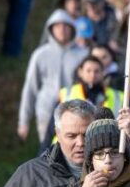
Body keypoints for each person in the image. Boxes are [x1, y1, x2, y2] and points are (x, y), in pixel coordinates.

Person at [19, 9, 89, 143]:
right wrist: (24, 121)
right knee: (49, 151)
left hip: (76, 111)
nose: (62, 30)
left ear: (72, 28)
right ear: (50, 29)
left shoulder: (83, 55)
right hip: (46, 111)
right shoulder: (40, 55)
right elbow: (30, 88)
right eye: (57, 26)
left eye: (65, 26)